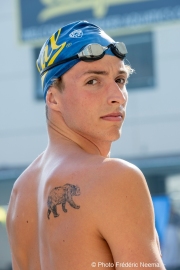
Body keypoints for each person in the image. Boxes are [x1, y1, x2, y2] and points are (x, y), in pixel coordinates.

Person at [6, 21, 166, 270]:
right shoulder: (114, 178)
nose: (118, 96)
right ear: (53, 97)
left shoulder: (20, 193)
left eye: (120, 79)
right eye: (93, 81)